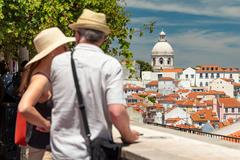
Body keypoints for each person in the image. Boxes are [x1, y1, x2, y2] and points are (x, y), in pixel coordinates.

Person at [50, 9, 139, 160]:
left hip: (61, 151)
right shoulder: (110, 65)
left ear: (77, 35)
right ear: (103, 39)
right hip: (93, 152)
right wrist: (128, 135)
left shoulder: (58, 62)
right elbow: (116, 111)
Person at [18, 27, 75, 160]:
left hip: (41, 148)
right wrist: (47, 124)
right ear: (53, 51)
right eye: (64, 46)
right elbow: (24, 107)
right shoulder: (41, 79)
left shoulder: (43, 75)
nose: (68, 50)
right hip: (43, 152)